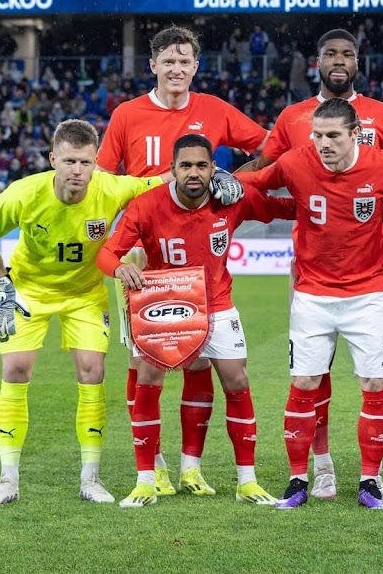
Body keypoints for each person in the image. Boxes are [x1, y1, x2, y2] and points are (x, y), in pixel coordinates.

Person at [97, 25, 268, 498]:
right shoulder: (127, 115)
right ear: (152, 65)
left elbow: (269, 145)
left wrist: (239, 178)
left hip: (195, 249)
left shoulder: (213, 109)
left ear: (196, 66)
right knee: (143, 363)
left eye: (185, 61)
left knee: (198, 363)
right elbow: (105, 181)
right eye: (167, 61)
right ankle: (152, 468)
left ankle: (191, 469)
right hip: (141, 250)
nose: (176, 69)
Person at [237, 98, 383, 510]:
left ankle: (371, 481)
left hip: (368, 295)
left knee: (374, 385)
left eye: (333, 136)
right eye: (317, 135)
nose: (323, 143)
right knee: (303, 384)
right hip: (312, 296)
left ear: (355, 133)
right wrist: (215, 180)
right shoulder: (294, 162)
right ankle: (297, 478)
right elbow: (256, 182)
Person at [0, 119, 164, 505]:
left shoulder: (111, 187)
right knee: (15, 370)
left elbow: (167, 182)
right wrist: (3, 286)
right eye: (70, 161)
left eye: (86, 163)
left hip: (85, 293)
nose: (78, 171)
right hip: (29, 290)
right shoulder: (23, 193)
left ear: (96, 162)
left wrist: (221, 176)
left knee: (92, 372)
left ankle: (90, 479)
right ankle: (7, 480)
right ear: (53, 159)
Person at [98, 134, 295, 508]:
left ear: (213, 169)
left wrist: (332, 198)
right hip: (164, 301)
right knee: (148, 379)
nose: (193, 173)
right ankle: (145, 480)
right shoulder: (146, 205)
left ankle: (246, 481)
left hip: (217, 304)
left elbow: (282, 209)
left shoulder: (231, 200)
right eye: (185, 165)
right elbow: (107, 253)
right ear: (172, 170)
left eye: (202, 166)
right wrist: (121, 268)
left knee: (237, 379)